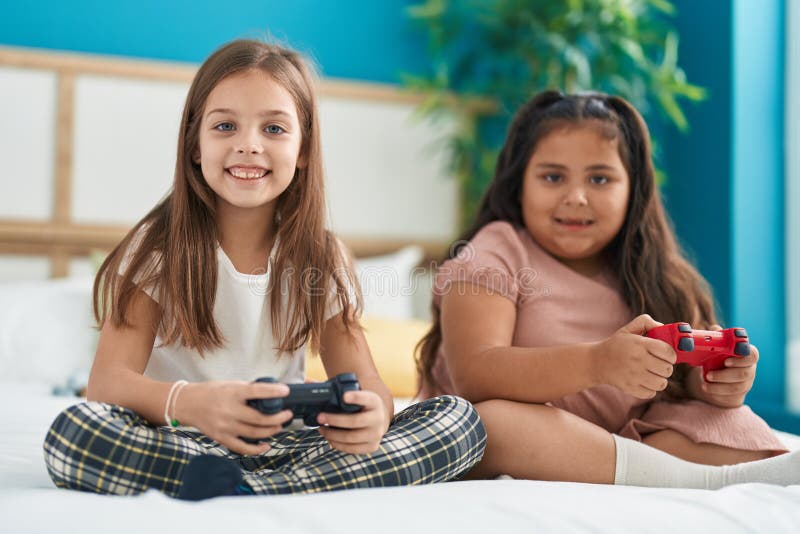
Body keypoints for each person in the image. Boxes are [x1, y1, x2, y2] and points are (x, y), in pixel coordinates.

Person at [43, 39, 485, 500]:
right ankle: (277, 487)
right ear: (195, 144)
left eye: (274, 129)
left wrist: (373, 412)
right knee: (74, 433)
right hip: (178, 439)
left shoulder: (323, 258)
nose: (248, 146)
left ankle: (249, 487)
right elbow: (106, 384)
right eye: (226, 126)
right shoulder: (155, 249)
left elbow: (365, 379)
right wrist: (193, 404)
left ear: (304, 150)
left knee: (459, 419)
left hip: (286, 445)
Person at [416, 90, 798, 489]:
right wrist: (598, 363)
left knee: (730, 423)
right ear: (519, 184)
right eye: (552, 177)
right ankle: (693, 478)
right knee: (493, 423)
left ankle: (641, 470)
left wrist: (715, 387)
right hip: (508, 436)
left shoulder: (655, 273)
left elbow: (679, 394)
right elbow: (473, 375)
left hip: (614, 441)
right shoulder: (497, 250)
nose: (576, 197)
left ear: (633, 189)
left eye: (599, 179)